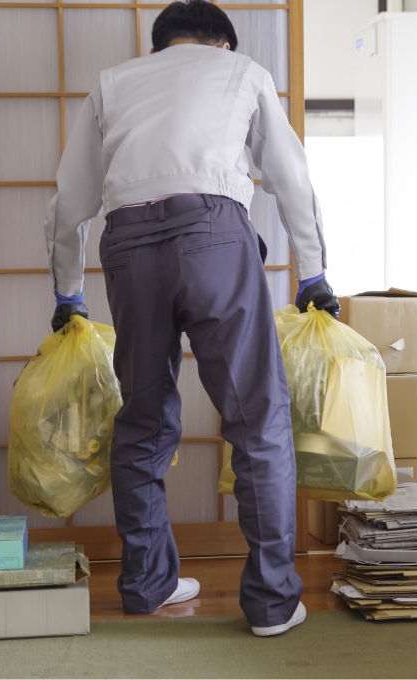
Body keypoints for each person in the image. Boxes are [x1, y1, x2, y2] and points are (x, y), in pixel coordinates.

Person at [43, 0, 338, 637]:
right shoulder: (245, 73)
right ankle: (271, 602)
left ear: (160, 46)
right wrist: (312, 270)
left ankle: (147, 586)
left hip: (128, 246)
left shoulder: (113, 83)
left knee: (142, 419)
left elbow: (70, 198)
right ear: (222, 46)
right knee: (256, 417)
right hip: (212, 237)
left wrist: (68, 291)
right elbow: (291, 178)